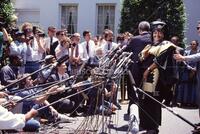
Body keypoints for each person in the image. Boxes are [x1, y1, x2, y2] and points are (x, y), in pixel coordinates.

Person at [139, 20, 177, 133]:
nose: (157, 35)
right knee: (145, 100)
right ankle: (146, 124)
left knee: (154, 101)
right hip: (146, 78)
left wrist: (148, 69)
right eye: (155, 32)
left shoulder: (167, 45)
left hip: (157, 78)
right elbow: (140, 57)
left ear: (164, 34)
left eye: (160, 33)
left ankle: (153, 127)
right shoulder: (150, 45)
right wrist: (144, 55)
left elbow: (160, 60)